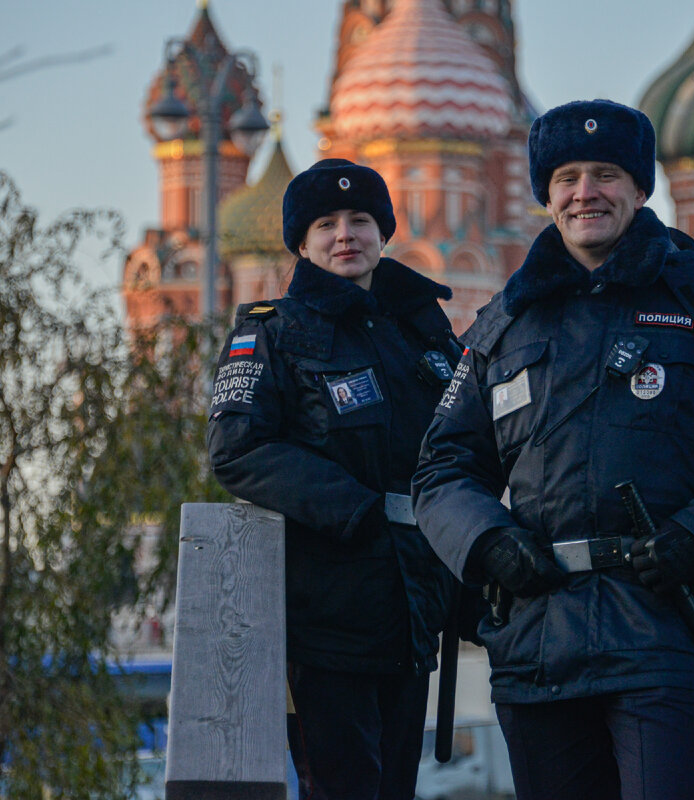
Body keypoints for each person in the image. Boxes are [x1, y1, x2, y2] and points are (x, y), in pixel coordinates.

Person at [411, 100, 694, 800]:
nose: (586, 192)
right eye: (568, 177)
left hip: (662, 634)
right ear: (546, 195)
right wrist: (486, 542)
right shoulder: (502, 325)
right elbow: (441, 469)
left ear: (640, 189)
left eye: (606, 174)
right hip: (536, 642)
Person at [207, 159, 461, 800]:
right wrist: (357, 510)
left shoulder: (423, 332)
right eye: (326, 224)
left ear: (384, 232)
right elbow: (239, 449)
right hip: (326, 610)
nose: (345, 234)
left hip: (414, 604)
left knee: (395, 787)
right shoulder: (272, 332)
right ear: (300, 241)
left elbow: (467, 443)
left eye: (361, 220)